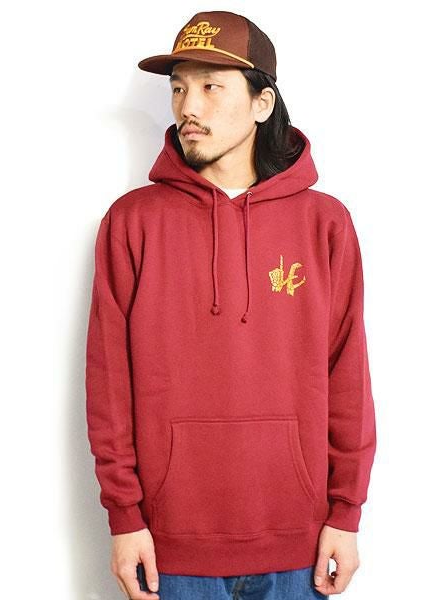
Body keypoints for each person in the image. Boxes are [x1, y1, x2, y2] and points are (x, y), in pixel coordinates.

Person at [85, 10, 377, 600]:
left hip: (298, 548)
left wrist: (346, 513)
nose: (188, 107)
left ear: (262, 103)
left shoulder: (324, 223)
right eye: (178, 89)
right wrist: (125, 518)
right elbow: (109, 382)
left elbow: (347, 374)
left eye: (211, 87)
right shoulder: (133, 222)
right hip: (169, 549)